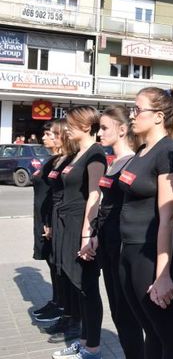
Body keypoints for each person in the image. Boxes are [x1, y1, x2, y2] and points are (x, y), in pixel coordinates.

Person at [119, 87, 173, 359]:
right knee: (151, 331)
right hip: (129, 250)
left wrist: (164, 275)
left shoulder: (169, 152)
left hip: (150, 255)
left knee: (170, 337)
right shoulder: (142, 150)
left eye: (137, 110)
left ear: (158, 116)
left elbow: (167, 217)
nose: (131, 115)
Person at [51, 106, 106, 359]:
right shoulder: (77, 153)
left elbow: (94, 196)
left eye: (72, 123)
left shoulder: (95, 155)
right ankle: (84, 341)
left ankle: (92, 346)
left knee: (87, 288)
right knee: (77, 287)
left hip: (79, 228)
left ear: (86, 126)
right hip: (67, 225)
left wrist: (87, 235)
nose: (67, 127)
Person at [97, 106, 144, 358]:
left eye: (105, 128)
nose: (100, 133)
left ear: (123, 130)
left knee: (127, 313)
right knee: (116, 310)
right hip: (107, 243)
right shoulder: (112, 162)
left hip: (123, 245)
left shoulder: (134, 163)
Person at [39, 119, 81, 344]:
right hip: (55, 220)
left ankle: (77, 321)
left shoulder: (76, 159)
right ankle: (67, 315)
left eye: (52, 134)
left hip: (68, 223)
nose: (47, 138)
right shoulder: (59, 160)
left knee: (71, 275)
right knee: (60, 270)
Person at [31, 123, 61, 323]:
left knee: (55, 263)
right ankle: (56, 300)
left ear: (59, 137)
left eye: (48, 133)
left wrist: (50, 222)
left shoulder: (60, 162)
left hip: (50, 222)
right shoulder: (52, 160)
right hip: (43, 219)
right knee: (51, 263)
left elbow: (56, 196)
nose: (44, 137)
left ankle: (61, 305)